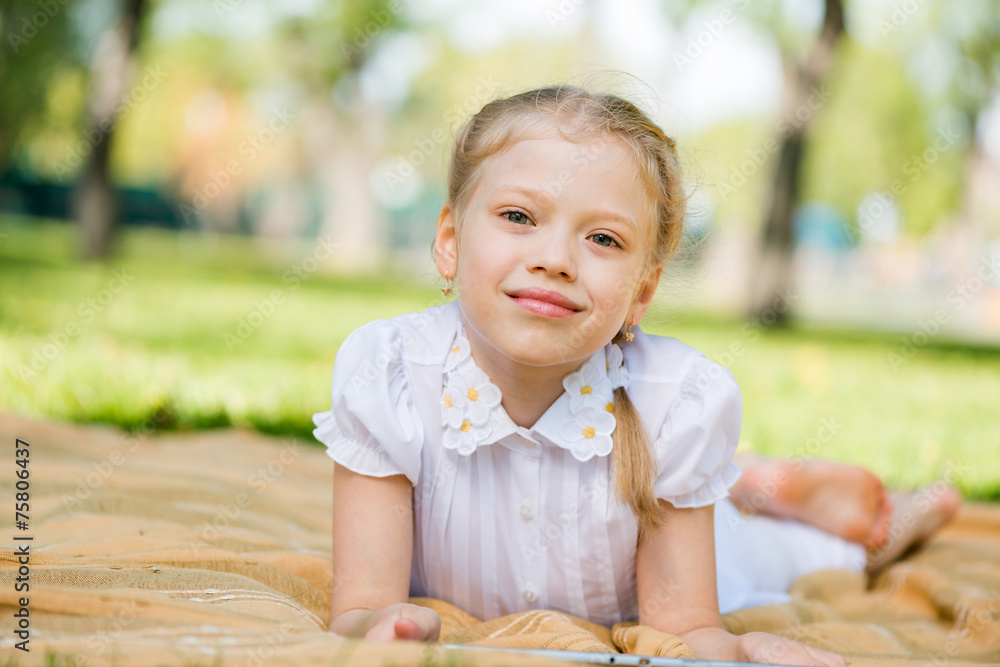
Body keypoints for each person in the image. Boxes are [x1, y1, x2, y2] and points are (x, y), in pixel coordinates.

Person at [313, 85, 960, 665]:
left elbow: (687, 627)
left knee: (777, 553)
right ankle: (750, 477)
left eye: (603, 239)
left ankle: (863, 514)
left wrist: (742, 650)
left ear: (642, 291)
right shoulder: (392, 375)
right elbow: (363, 603)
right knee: (729, 497)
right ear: (450, 240)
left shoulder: (673, 404)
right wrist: (382, 624)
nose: (555, 259)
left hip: (707, 553)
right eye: (518, 217)